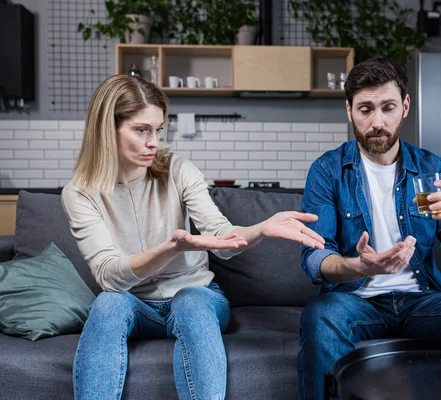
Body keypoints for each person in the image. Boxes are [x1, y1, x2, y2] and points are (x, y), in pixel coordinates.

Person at [61, 74, 325, 400]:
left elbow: (221, 236)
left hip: (198, 296)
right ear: (107, 130)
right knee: (107, 304)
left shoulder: (178, 169)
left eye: (158, 130)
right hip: (135, 304)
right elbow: (110, 277)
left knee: (190, 299)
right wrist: (173, 248)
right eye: (141, 130)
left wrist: (260, 229)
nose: (154, 142)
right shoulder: (80, 193)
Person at [297, 57, 441, 399]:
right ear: (349, 111)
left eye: (387, 107)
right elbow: (315, 258)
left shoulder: (432, 169)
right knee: (320, 315)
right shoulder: (328, 171)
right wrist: (359, 266)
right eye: (365, 110)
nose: (377, 122)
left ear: (405, 106)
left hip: (424, 301)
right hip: (356, 303)